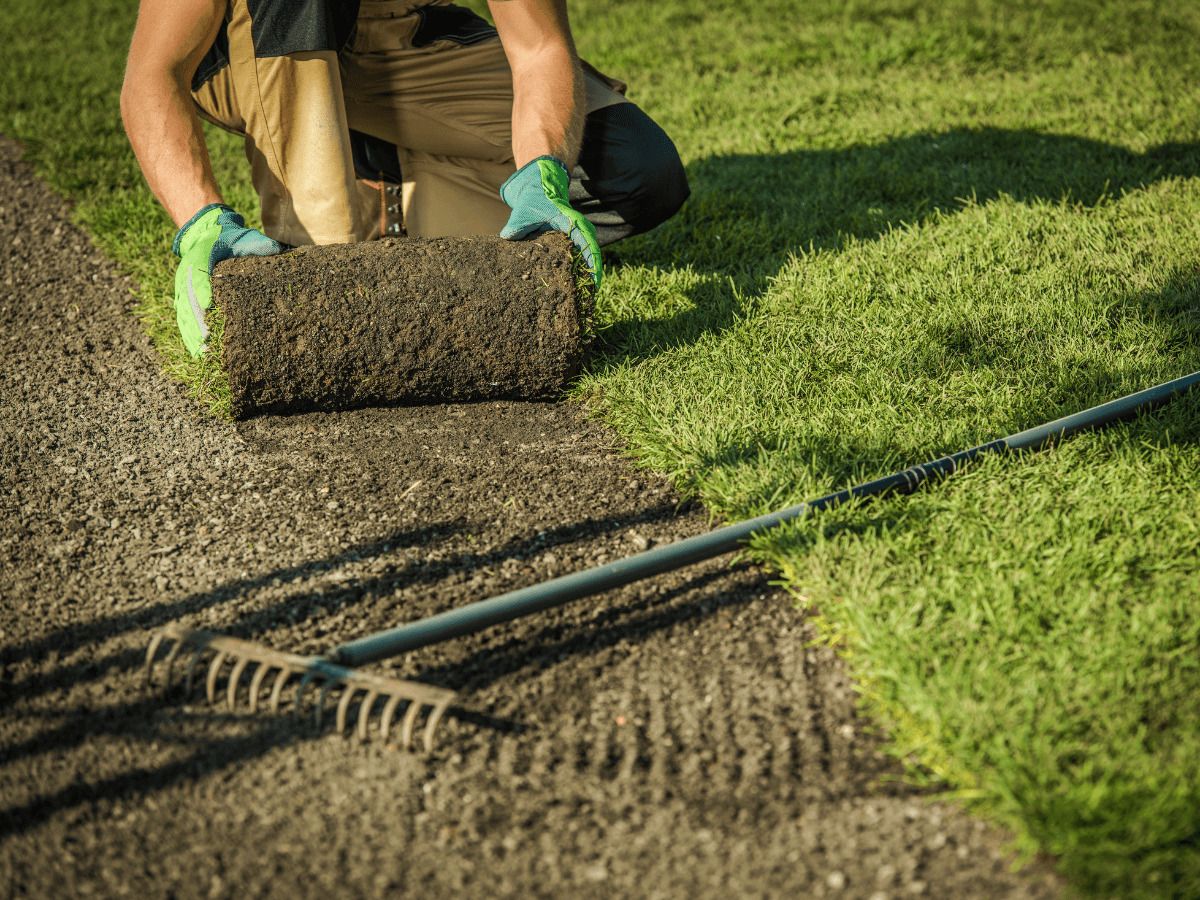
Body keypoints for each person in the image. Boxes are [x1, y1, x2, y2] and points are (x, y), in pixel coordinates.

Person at [120, 0, 690, 357]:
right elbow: (153, 74)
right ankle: (316, 250)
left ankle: (384, 184)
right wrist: (201, 220)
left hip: (402, 34)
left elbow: (540, 48)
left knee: (636, 172)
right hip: (258, 40)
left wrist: (541, 174)